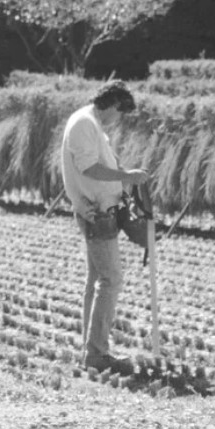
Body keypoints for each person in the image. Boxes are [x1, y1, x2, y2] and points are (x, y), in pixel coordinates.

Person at [59, 80, 150, 373]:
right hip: (97, 212)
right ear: (112, 105)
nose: (119, 120)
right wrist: (127, 176)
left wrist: (123, 179)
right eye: (120, 113)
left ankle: (92, 348)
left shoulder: (90, 123)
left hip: (98, 210)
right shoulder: (85, 124)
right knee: (110, 280)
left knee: (97, 280)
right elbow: (88, 168)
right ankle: (97, 353)